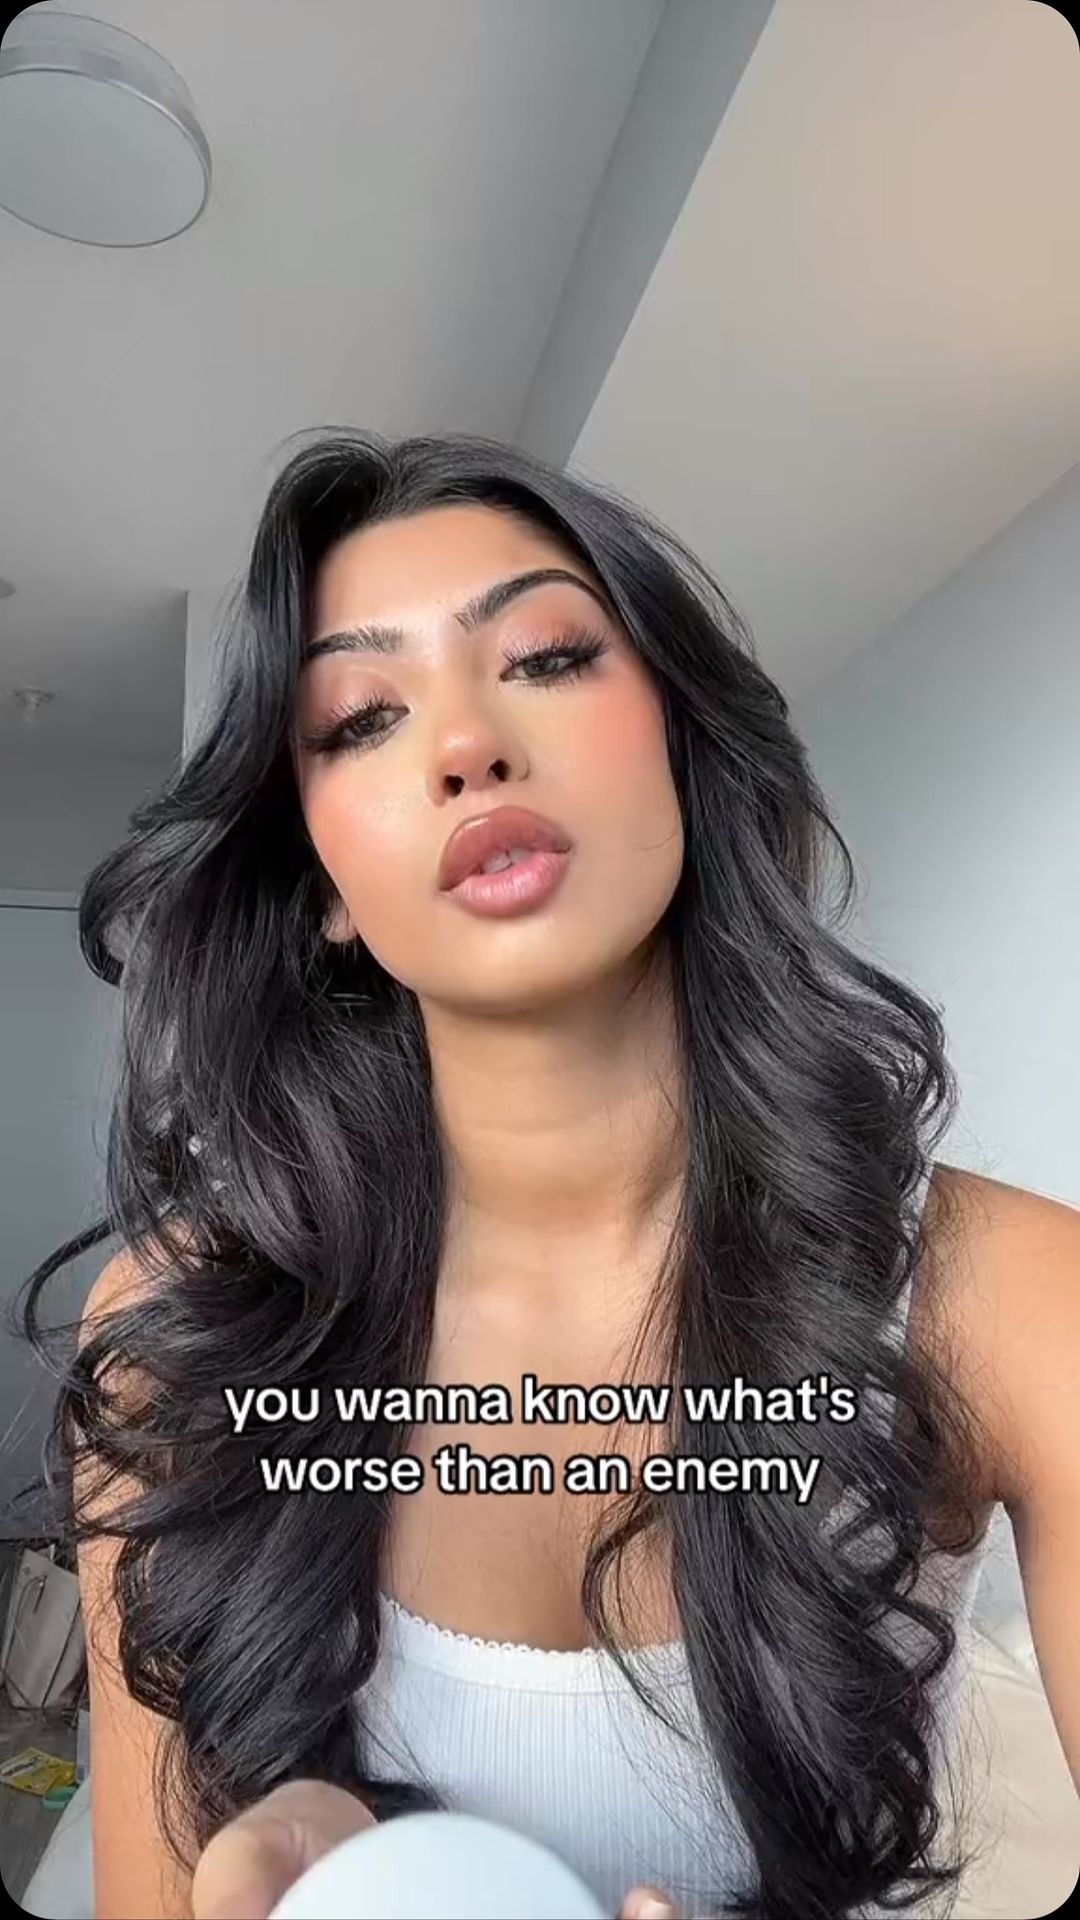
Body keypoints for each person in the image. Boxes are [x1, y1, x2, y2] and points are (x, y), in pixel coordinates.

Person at [15, 429, 1079, 1920]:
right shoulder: (174, 1336)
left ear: (683, 749)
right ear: (321, 887)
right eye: (363, 719)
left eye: (549, 658)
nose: (465, 744)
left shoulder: (1013, 1296)